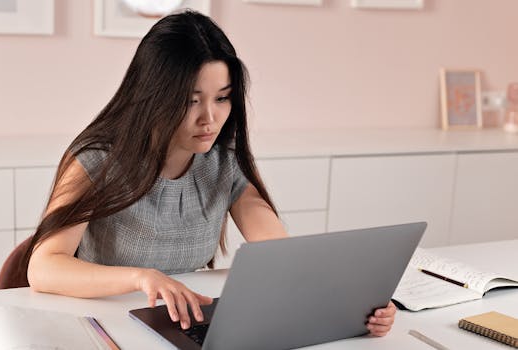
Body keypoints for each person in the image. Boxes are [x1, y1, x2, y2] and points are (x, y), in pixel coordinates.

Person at [24, 10, 396, 336]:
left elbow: (283, 257)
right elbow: (43, 268)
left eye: (222, 98)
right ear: (155, 94)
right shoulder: (96, 160)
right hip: (101, 325)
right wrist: (141, 277)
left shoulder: (223, 162)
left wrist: (356, 305)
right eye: (191, 100)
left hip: (180, 323)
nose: (210, 118)